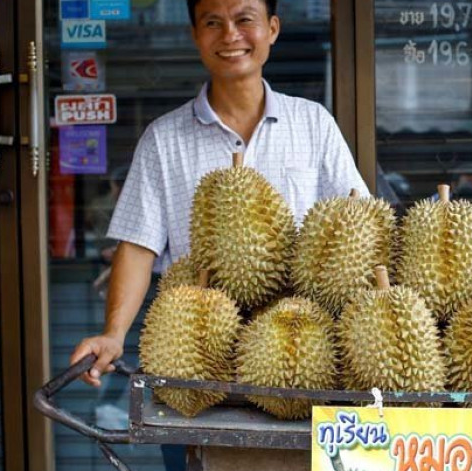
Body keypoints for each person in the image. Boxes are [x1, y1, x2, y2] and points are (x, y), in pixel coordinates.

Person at [69, 0, 368, 387]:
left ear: (272, 29)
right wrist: (114, 333)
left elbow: (356, 217)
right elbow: (138, 246)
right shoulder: (164, 139)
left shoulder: (313, 123)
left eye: (245, 20)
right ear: (195, 34)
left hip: (299, 353)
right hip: (196, 353)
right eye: (213, 22)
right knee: (193, 445)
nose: (230, 35)